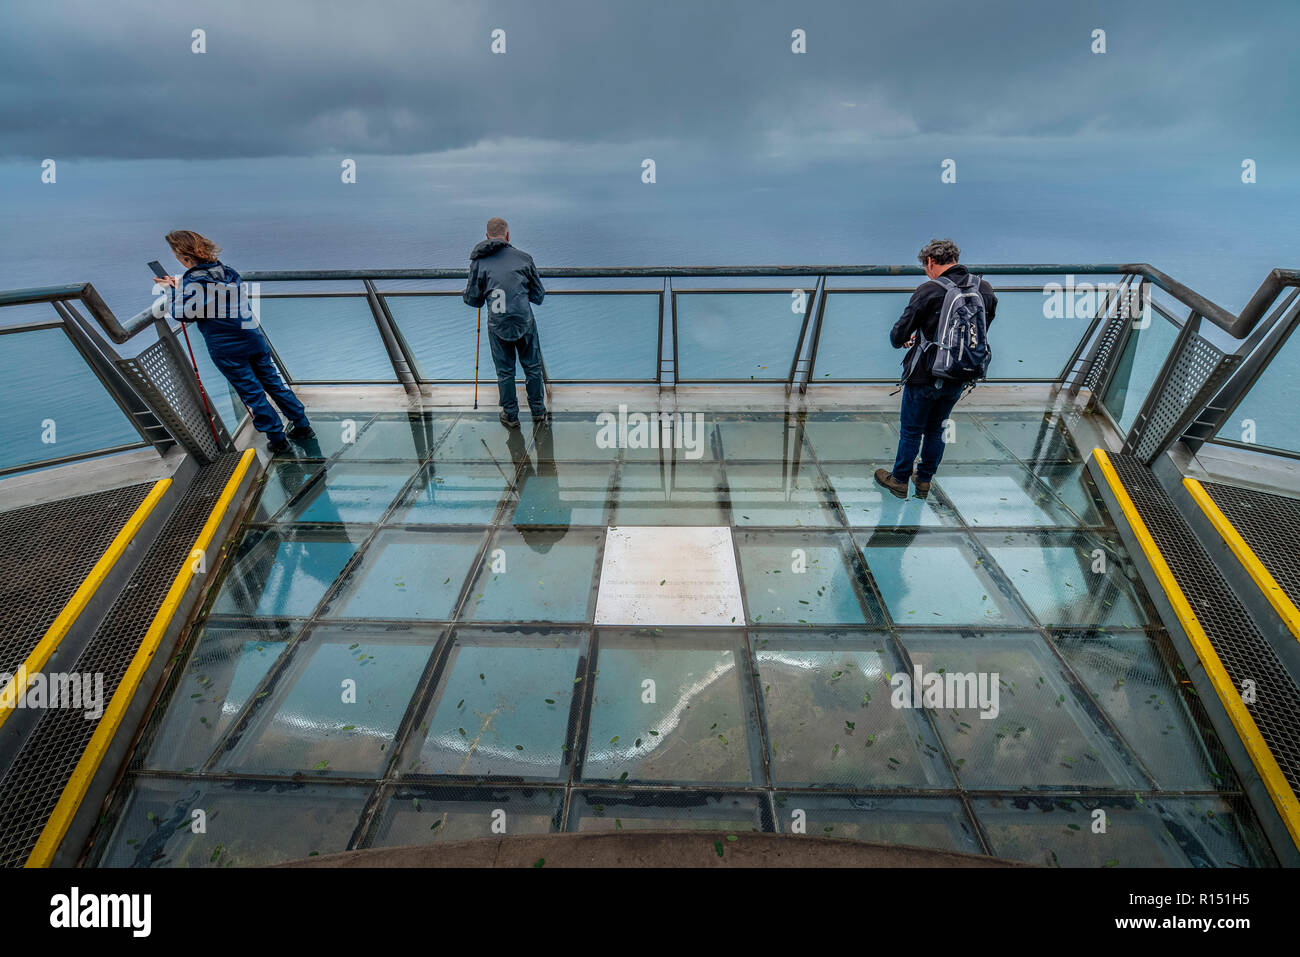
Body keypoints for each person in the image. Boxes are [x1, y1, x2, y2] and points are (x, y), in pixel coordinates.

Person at [153, 230, 313, 455]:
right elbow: (214, 296)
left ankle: (277, 438)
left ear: (186, 258)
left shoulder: (194, 280)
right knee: (273, 382)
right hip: (252, 336)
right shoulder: (228, 272)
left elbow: (182, 313)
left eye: (177, 255)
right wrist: (183, 289)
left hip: (227, 345)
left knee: (252, 391)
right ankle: (303, 425)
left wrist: (170, 291)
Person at [875, 238, 997, 500]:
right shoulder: (983, 288)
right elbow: (983, 327)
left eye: (925, 267)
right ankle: (925, 479)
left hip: (924, 374)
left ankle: (899, 480)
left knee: (911, 430)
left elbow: (898, 335)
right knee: (937, 428)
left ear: (930, 262)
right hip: (962, 371)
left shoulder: (929, 289)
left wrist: (914, 339)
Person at [462, 218, 549, 428]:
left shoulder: (479, 263)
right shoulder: (524, 259)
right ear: (508, 236)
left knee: (505, 371)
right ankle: (538, 410)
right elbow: (539, 295)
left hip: (498, 323)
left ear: (486, 237)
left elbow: (472, 299)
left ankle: (511, 415)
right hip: (523, 320)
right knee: (533, 367)